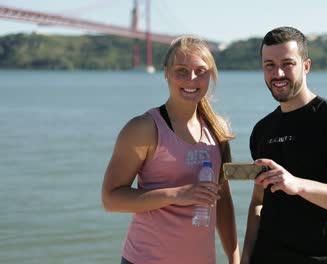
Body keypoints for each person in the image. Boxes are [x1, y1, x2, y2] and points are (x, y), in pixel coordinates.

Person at [101, 36, 240, 264]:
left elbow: (222, 198)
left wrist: (234, 258)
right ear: (166, 72)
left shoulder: (217, 129)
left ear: (211, 75)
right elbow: (111, 199)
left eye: (200, 71)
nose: (192, 79)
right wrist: (177, 194)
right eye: (182, 71)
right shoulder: (143, 128)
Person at [241, 27, 327, 264]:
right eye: (269, 65)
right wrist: (245, 256)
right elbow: (259, 202)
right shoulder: (262, 130)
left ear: (306, 66)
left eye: (287, 63)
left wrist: (297, 185)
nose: (277, 73)